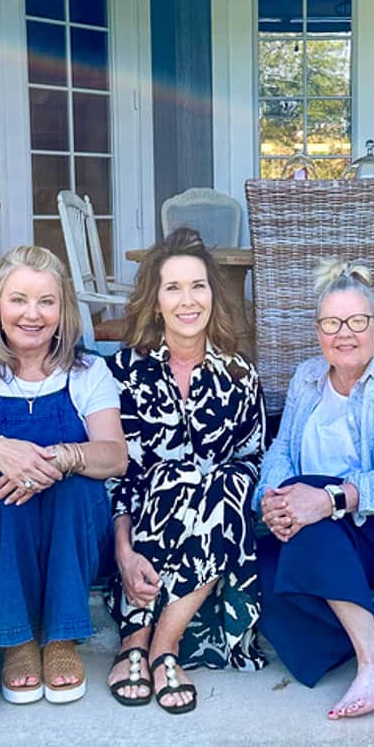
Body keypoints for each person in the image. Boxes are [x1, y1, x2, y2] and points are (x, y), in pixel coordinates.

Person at [255, 260, 374, 719]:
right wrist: (272, 500)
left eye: (357, 321)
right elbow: (281, 450)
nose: (344, 333)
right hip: (320, 530)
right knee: (261, 566)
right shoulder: (307, 377)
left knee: (306, 509)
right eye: (331, 323)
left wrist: (323, 500)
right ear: (318, 330)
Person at [0, 245, 127, 706]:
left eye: (46, 301)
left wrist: (62, 459)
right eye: (19, 300)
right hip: (10, 525)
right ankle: (18, 637)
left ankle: (61, 638)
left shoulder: (88, 372)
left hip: (75, 526)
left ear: (63, 310)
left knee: (75, 489)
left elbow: (113, 456)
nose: (33, 314)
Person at [106, 228, 265, 713]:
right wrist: (123, 552)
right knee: (166, 479)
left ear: (214, 297)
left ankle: (156, 645)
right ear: (155, 302)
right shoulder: (122, 374)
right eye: (173, 288)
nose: (187, 300)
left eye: (198, 286)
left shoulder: (240, 376)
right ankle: (138, 638)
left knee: (224, 480)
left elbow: (252, 460)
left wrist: (203, 487)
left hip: (215, 548)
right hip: (142, 534)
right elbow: (117, 474)